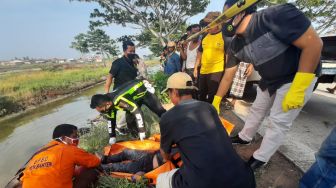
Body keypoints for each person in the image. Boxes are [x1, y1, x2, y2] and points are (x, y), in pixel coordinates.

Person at [212, 1, 322, 170]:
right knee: (256, 110)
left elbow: (314, 44)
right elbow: (228, 76)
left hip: (296, 76)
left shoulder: (276, 15)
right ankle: (245, 137)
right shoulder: (235, 44)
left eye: (227, 16)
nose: (224, 22)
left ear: (240, 12)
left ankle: (260, 158)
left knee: (278, 121)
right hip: (269, 78)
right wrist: (216, 100)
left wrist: (299, 87)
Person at [157, 72, 255, 188]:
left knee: (160, 180)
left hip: (205, 183)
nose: (169, 96)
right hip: (245, 178)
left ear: (174, 91)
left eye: (169, 93)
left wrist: (166, 155)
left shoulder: (167, 118)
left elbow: (165, 155)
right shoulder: (209, 107)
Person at [20, 124, 101, 188]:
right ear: (63, 138)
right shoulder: (69, 149)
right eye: (74, 136)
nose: (77, 139)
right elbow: (95, 162)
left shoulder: (39, 152)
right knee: (92, 171)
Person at [90, 79, 166, 144]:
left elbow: (137, 112)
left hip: (144, 92)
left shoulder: (118, 100)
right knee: (130, 121)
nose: (100, 112)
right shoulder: (108, 104)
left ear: (107, 104)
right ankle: (139, 139)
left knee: (161, 112)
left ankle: (170, 125)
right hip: (132, 99)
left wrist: (142, 131)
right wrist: (112, 136)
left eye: (100, 110)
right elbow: (111, 120)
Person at [194, 12, 229, 103]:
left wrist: (227, 72)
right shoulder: (205, 37)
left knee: (212, 96)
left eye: (208, 24)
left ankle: (211, 114)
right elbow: (200, 53)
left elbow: (228, 55)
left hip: (216, 71)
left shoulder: (224, 36)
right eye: (206, 24)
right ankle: (201, 113)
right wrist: (195, 68)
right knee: (201, 94)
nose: (206, 26)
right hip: (203, 70)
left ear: (217, 24)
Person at [101, 148, 179, 174]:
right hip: (151, 155)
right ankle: (106, 159)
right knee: (127, 152)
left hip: (148, 166)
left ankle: (101, 167)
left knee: (122, 167)